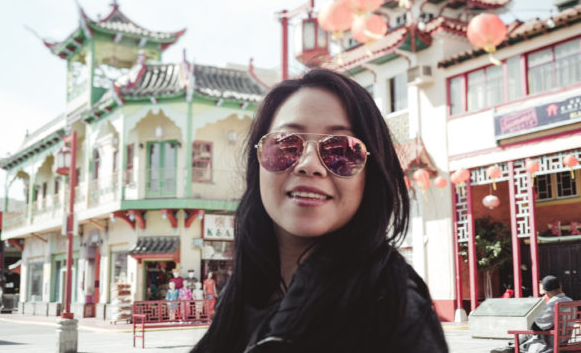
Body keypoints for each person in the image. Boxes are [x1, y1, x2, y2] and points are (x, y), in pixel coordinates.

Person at [191, 69, 448, 353]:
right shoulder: (239, 296)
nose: (309, 164)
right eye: (286, 144)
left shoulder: (394, 306)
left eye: (342, 151)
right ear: (258, 165)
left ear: (370, 177)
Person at [519, 275, 572, 353]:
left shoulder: (553, 303)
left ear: (546, 292)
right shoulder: (570, 301)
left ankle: (509, 346)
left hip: (550, 343)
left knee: (523, 340)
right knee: (526, 336)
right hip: (564, 340)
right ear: (560, 286)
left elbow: (536, 327)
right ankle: (510, 345)